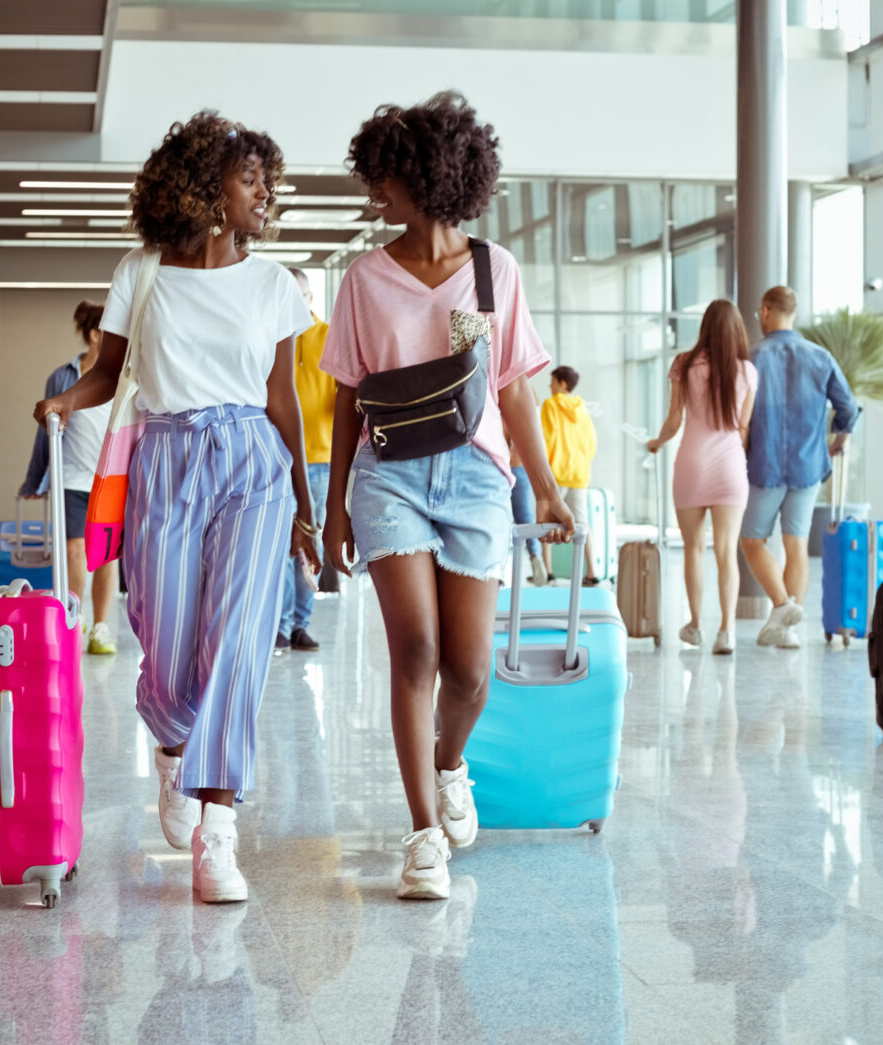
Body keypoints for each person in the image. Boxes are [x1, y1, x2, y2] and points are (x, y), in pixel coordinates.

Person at [32, 111, 321, 903]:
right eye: (251, 178)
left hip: (253, 464)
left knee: (238, 640)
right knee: (162, 639)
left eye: (269, 181)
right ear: (204, 186)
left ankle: (219, 834)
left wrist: (304, 503)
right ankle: (169, 741)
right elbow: (109, 370)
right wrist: (62, 404)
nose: (266, 194)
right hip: (165, 456)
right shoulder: (142, 272)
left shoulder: (274, 284)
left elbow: (282, 398)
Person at [321, 92, 573, 901]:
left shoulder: (495, 273)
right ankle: (423, 832)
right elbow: (347, 402)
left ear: (426, 176)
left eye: (385, 178)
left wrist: (548, 488)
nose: (374, 194)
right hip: (387, 475)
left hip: (474, 478)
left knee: (469, 671)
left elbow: (511, 392)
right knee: (417, 652)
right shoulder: (364, 278)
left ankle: (450, 761)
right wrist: (332, 507)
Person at [740, 285, 859, 649]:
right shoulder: (820, 356)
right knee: (796, 544)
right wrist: (838, 438)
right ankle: (788, 628)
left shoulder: (752, 358)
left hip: (765, 463)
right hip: (809, 467)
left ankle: (782, 607)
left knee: (752, 541)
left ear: (765, 311)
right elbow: (848, 407)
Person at [647, 299, 757, 654]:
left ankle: (695, 626)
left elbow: (674, 419)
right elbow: (742, 428)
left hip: (691, 464)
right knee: (726, 552)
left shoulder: (684, 363)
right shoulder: (747, 371)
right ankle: (726, 632)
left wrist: (656, 442)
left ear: (705, 326)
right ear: (736, 329)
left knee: (693, 549)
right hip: (730, 467)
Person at [18, 301, 119, 655]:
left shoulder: (125, 376)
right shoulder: (63, 377)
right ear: (95, 336)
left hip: (109, 481)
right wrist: (35, 480)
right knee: (75, 551)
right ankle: (77, 620)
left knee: (106, 556)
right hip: (72, 478)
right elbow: (44, 432)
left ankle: (102, 627)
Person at [276, 267, 335, 651]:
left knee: (310, 545)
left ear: (310, 299)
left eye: (300, 295)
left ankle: (300, 623)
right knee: (279, 547)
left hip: (320, 460)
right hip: (277, 461)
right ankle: (279, 626)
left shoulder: (329, 336)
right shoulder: (269, 336)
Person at [540, 365, 600, 586]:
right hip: (578, 474)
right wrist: (582, 463)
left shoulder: (550, 405)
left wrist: (543, 471)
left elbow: (546, 439)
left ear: (562, 384)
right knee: (582, 524)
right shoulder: (581, 408)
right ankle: (592, 573)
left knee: (546, 521)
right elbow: (591, 440)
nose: (550, 385)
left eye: (552, 381)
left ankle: (548, 572)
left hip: (557, 473)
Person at [507, 435, 548, 586]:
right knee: (525, 516)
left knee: (498, 517)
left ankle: (499, 563)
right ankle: (535, 555)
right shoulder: (527, 415)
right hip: (521, 466)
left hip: (500, 466)